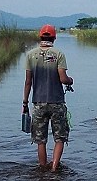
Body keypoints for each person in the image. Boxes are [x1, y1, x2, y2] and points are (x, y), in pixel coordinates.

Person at [23, 24, 74, 170]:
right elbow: (63, 79)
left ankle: (42, 167)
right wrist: (71, 80)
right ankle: (54, 168)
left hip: (38, 103)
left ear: (40, 37)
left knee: (40, 140)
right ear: (54, 38)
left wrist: (25, 103)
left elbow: (28, 82)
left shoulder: (30, 55)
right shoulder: (59, 54)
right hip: (57, 102)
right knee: (59, 138)